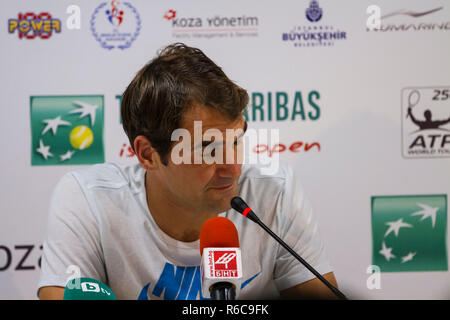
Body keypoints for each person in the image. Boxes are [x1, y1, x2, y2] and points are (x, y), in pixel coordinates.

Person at [38, 43, 338, 300]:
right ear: (147, 154)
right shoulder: (89, 201)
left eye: (236, 141)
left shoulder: (274, 191)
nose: (232, 167)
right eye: (208, 149)